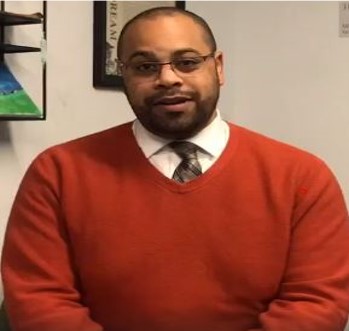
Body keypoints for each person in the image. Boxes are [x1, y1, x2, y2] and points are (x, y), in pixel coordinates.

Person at [1, 6, 349, 331]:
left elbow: (317, 303)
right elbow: (39, 301)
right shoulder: (58, 173)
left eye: (186, 62)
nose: (167, 79)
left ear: (218, 67)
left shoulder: (302, 177)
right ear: (124, 75)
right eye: (144, 66)